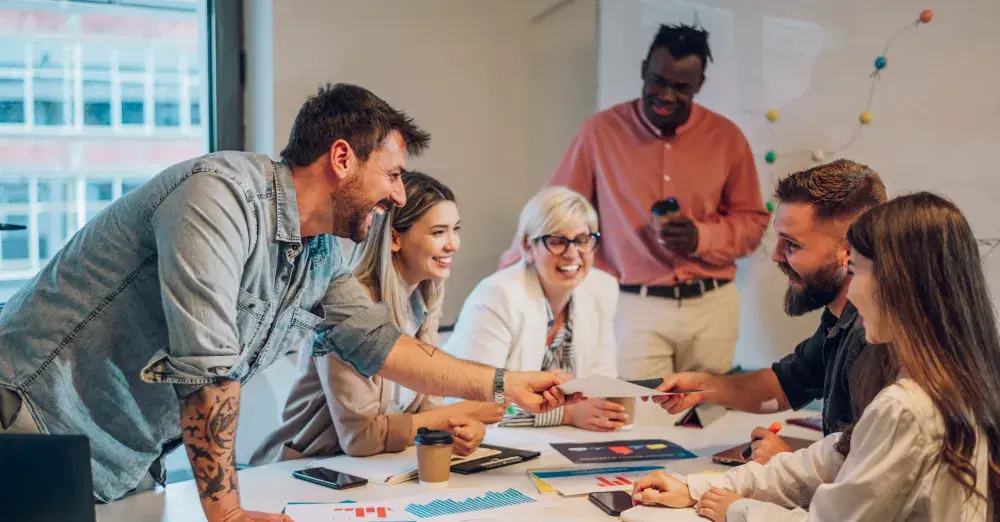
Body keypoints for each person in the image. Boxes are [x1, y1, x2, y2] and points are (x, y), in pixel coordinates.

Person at [0, 83, 576, 522]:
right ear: (343, 158)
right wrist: (227, 514)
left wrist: (503, 384)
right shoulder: (218, 195)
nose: (399, 195)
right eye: (394, 174)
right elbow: (207, 371)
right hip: (35, 430)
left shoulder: (324, 252)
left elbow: (378, 344)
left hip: (125, 457)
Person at [632, 192, 997, 522]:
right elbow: (829, 456)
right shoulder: (955, 376)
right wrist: (697, 487)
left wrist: (737, 509)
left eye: (855, 270)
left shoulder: (906, 405)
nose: (852, 293)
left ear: (899, 282)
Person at [498, 23, 768, 380]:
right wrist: (507, 278)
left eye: (681, 87)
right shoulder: (599, 132)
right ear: (643, 70)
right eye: (657, 81)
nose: (666, 95)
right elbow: (553, 210)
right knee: (636, 421)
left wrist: (701, 238)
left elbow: (752, 222)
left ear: (700, 84)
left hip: (712, 305)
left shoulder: (727, 137)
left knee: (705, 420)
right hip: (631, 304)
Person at [251, 171, 502, 464]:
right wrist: (459, 413)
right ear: (394, 238)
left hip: (374, 471)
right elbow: (361, 438)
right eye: (438, 232)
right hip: (308, 471)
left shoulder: (420, 305)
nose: (453, 244)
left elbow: (428, 411)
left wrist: (457, 429)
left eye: (455, 229)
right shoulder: (351, 310)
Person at [654, 159, 886, 464]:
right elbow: (784, 385)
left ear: (849, 252)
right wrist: (703, 387)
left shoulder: (874, 335)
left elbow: (871, 475)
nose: (776, 256)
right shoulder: (840, 317)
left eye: (791, 245)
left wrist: (789, 464)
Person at [445, 187, 624, 431]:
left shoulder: (603, 288)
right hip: (492, 442)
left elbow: (604, 386)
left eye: (582, 240)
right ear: (529, 246)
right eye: (557, 241)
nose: (572, 254)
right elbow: (474, 404)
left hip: (568, 441)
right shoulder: (498, 295)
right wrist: (566, 413)